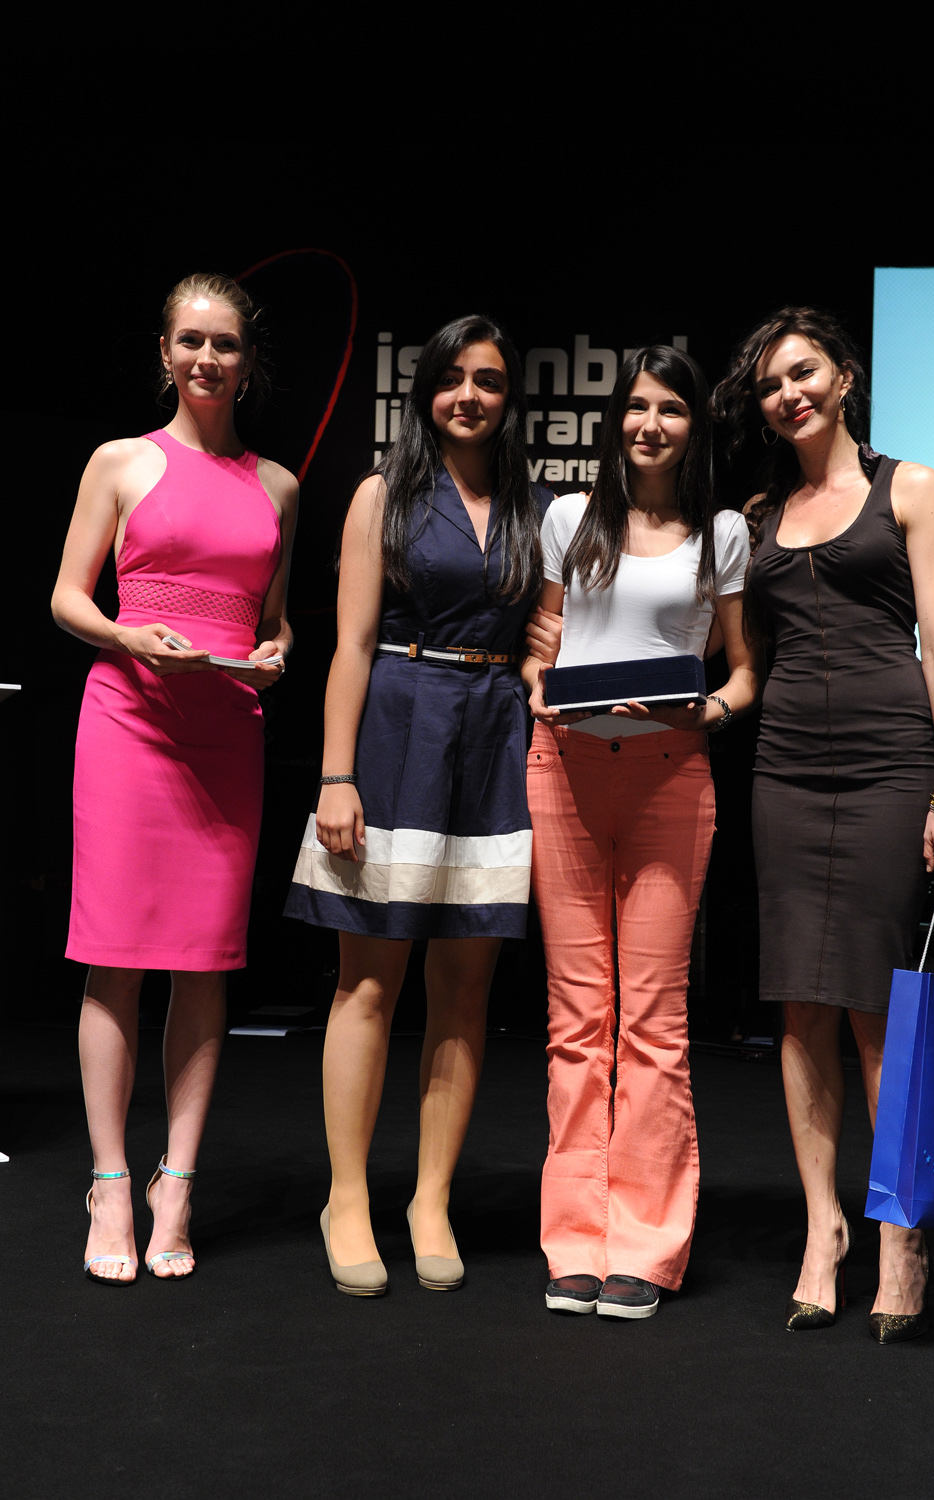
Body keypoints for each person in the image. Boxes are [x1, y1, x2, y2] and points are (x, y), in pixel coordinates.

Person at [711, 307, 934, 1341]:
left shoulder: (908, 487)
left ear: (844, 377)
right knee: (799, 1005)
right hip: (783, 768)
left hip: (888, 764)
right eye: (772, 384)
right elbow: (736, 653)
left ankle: (898, 1229)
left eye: (804, 372)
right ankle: (823, 1226)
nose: (790, 394)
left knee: (874, 1006)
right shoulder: (757, 514)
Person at [285, 315, 549, 1297]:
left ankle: (430, 1198)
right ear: (426, 391)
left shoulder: (535, 504)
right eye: (452, 378)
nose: (469, 395)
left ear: (509, 397)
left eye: (488, 380)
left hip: (493, 740)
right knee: (368, 982)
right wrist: (335, 777)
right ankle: (347, 1196)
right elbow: (350, 646)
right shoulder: (381, 493)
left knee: (466, 987)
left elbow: (545, 634)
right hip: (398, 728)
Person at [51, 273, 298, 1284]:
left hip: (227, 733)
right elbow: (66, 598)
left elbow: (273, 617)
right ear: (164, 352)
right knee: (113, 957)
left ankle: (177, 1182)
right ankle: (110, 1182)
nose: (207, 358)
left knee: (204, 963)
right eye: (190, 340)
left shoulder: (278, 485)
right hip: (130, 723)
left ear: (248, 360)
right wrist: (129, 636)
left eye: (225, 343)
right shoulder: (120, 460)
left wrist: (277, 650)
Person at [522, 347, 760, 1319]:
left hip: (670, 776)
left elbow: (742, 670)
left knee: (652, 1022)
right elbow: (543, 640)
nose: (649, 424)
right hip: (564, 770)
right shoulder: (570, 519)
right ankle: (575, 1241)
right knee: (576, 1019)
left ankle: (646, 1248)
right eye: (635, 407)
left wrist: (709, 711)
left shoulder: (722, 532)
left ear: (694, 425)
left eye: (670, 409)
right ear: (613, 420)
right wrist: (537, 688)